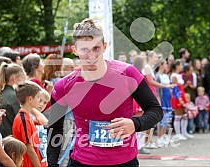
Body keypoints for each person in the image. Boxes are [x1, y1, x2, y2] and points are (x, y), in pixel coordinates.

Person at [47, 18, 163, 166]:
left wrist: (136, 124)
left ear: (104, 46)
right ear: (75, 50)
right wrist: (52, 164)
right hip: (82, 162)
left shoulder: (127, 73)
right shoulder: (64, 86)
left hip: (124, 162)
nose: (91, 57)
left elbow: (155, 110)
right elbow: (55, 128)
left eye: (96, 48)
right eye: (84, 50)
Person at [12, 81, 44, 167]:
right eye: (38, 97)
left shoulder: (27, 117)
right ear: (30, 99)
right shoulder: (23, 119)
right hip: (28, 163)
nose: (39, 100)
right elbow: (29, 148)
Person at [0, 62, 26, 137]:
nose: (24, 81)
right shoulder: (15, 96)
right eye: (22, 78)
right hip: (13, 138)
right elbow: (21, 120)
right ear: (14, 79)